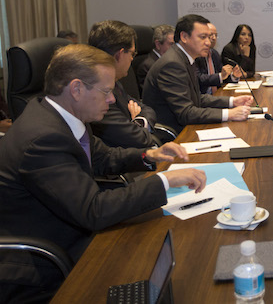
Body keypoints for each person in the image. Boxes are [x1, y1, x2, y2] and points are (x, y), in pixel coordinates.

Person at [0, 44, 206, 301]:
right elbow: (93, 210)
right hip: (45, 264)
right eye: (106, 91)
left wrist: (149, 156)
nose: (112, 100)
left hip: (74, 229)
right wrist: (164, 180)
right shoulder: (43, 138)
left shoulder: (59, 115)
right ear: (76, 89)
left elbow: (102, 156)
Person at [142, 14, 253, 134]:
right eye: (203, 37)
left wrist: (232, 101)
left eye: (209, 37)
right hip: (174, 134)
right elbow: (186, 113)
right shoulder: (172, 64)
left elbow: (196, 98)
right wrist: (230, 114)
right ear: (184, 37)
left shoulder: (184, 58)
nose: (208, 42)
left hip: (186, 127)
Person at [88, 20, 158, 148]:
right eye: (132, 53)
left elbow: (147, 109)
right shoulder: (96, 94)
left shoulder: (115, 82)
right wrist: (137, 123)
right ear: (119, 55)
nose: (132, 59)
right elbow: (138, 138)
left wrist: (138, 121)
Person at [194, 22, 240, 94]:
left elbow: (222, 77)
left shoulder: (214, 53)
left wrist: (233, 76)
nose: (214, 38)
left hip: (216, 95)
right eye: (211, 35)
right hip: (202, 98)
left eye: (216, 35)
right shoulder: (196, 54)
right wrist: (221, 76)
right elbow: (198, 78)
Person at [137, 24, 174, 90]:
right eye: (171, 44)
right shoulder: (147, 67)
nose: (175, 48)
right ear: (158, 44)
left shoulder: (173, 61)